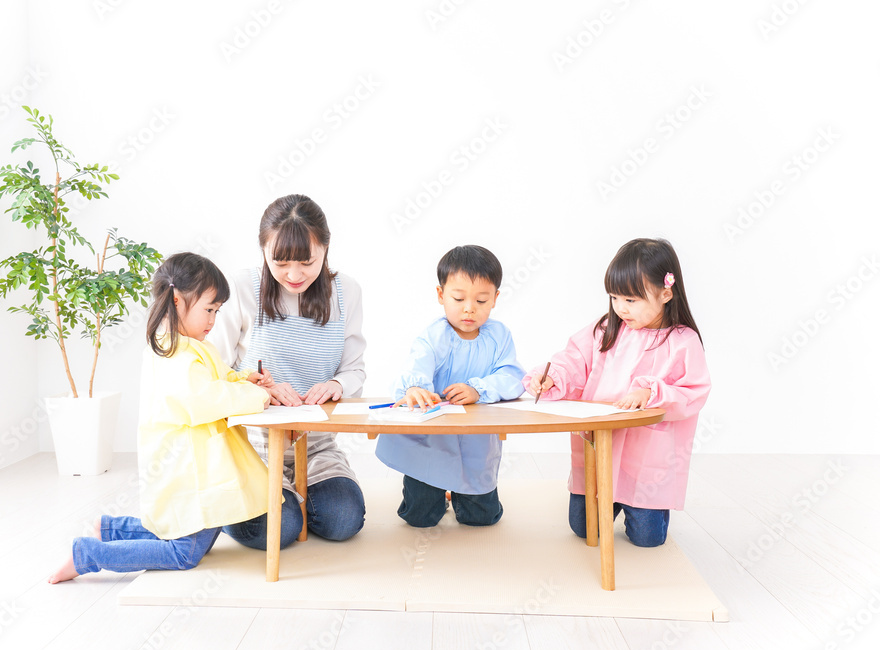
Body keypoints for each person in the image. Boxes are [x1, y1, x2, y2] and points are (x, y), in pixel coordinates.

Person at [48, 252, 273, 583]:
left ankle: (110, 529)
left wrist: (244, 379)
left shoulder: (188, 346)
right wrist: (258, 396)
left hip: (199, 463)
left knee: (183, 528)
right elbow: (205, 398)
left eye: (217, 311)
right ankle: (89, 554)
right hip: (193, 469)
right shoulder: (175, 354)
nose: (213, 320)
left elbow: (218, 378)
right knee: (184, 552)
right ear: (178, 301)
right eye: (209, 310)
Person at [524, 238, 711, 547]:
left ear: (666, 293)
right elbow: (574, 361)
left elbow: (694, 391)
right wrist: (552, 378)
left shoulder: (682, 341)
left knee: (647, 539)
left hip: (646, 458)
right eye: (614, 297)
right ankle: (610, 504)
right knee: (583, 528)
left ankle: (638, 508)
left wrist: (651, 393)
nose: (620, 308)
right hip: (600, 447)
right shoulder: (605, 330)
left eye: (631, 300)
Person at [210, 194, 366, 550]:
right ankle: (238, 505)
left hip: (317, 444)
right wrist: (260, 390)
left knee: (343, 519)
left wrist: (337, 383)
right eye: (280, 263)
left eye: (307, 262)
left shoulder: (347, 292)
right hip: (254, 445)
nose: (294, 276)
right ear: (263, 250)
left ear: (326, 248)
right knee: (279, 529)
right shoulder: (242, 288)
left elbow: (355, 369)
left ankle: (292, 498)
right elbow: (214, 372)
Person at [374, 245, 525, 528]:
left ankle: (462, 497)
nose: (469, 308)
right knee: (419, 518)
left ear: (495, 298)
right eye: (458, 298)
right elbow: (417, 364)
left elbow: (513, 376)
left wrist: (478, 389)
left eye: (481, 300)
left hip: (476, 441)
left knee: (482, 518)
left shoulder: (499, 336)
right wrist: (415, 387)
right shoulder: (435, 335)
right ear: (441, 295)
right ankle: (438, 496)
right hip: (431, 440)